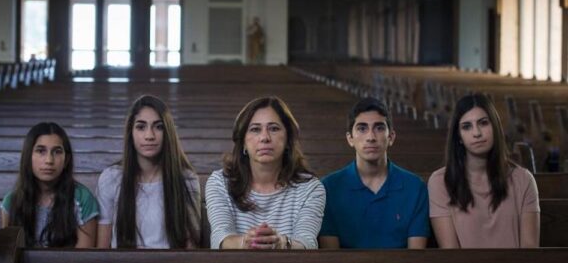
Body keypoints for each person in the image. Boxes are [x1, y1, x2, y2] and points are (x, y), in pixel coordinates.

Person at [205, 96, 325, 249]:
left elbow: (307, 242)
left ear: (288, 139)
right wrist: (245, 242)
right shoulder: (220, 182)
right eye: (255, 129)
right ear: (243, 142)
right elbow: (220, 239)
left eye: (274, 128)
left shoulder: (310, 188)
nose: (265, 138)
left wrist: (281, 243)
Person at [428, 93, 540, 248]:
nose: (477, 133)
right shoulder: (440, 182)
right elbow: (451, 254)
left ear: (495, 126)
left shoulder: (523, 180)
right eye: (467, 127)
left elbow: (530, 251)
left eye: (483, 123)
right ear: (459, 136)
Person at [319, 97, 430, 248]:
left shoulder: (415, 188)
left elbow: (416, 256)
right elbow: (331, 257)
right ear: (350, 138)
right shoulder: (328, 188)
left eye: (379, 128)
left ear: (391, 137)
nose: (371, 137)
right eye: (362, 128)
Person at [96, 95, 201, 248]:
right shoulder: (111, 178)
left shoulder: (187, 179)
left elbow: (191, 247)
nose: (149, 136)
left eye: (158, 127)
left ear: (168, 133)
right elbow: (102, 249)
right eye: (141, 127)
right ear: (130, 132)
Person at [1, 122, 99, 247]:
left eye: (57, 152)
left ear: (66, 160)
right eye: (41, 151)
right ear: (28, 157)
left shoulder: (82, 198)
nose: (49, 160)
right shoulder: (11, 202)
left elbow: (84, 257)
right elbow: (8, 254)